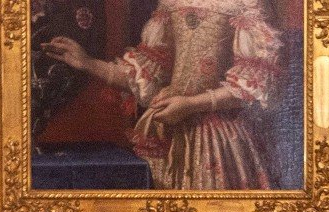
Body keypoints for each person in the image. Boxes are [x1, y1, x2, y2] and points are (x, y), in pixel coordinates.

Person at [43, 0, 280, 190]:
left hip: (216, 137)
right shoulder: (169, 5)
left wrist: (191, 105)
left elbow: (254, 81)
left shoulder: (247, 5)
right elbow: (145, 78)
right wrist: (87, 62)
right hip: (166, 127)